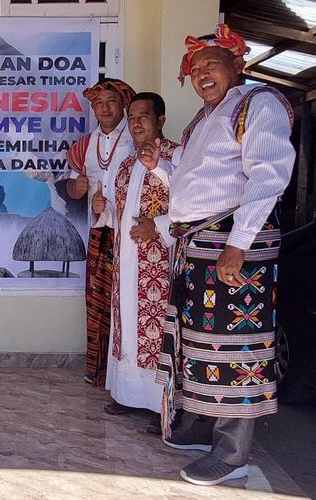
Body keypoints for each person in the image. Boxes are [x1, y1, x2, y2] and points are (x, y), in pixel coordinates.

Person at [155, 24, 295, 486]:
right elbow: (198, 176)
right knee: (198, 340)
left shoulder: (260, 103)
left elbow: (269, 175)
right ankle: (201, 425)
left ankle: (232, 453)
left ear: (240, 64)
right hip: (201, 243)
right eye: (195, 68)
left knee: (236, 347)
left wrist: (239, 245)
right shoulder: (208, 116)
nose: (201, 74)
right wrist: (161, 162)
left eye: (211, 63)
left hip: (233, 242)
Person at [93, 92, 181, 431]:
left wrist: (157, 226)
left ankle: (159, 404)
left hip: (159, 262)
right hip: (126, 261)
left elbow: (191, 204)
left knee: (156, 330)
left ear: (160, 120)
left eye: (144, 115)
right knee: (127, 326)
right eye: (132, 117)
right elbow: (118, 212)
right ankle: (128, 395)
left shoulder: (175, 155)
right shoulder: (126, 164)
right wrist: (103, 208)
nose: (137, 122)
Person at [66, 78, 136, 386]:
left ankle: (129, 377)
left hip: (132, 235)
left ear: (123, 105)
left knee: (130, 303)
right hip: (99, 233)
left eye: (110, 101)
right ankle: (99, 373)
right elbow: (71, 187)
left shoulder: (138, 137)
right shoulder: (83, 146)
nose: (104, 108)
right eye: (98, 103)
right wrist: (77, 188)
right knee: (98, 304)